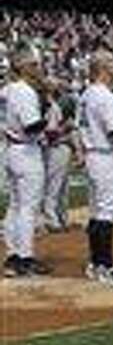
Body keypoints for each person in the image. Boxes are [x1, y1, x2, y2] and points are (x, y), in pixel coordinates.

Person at [76, 49, 113, 281]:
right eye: (112, 63)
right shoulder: (106, 96)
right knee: (107, 210)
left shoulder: (86, 94)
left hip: (92, 153)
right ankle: (105, 265)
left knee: (97, 210)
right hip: (105, 155)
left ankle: (96, 263)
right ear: (103, 68)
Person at [3, 46, 47, 277]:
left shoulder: (7, 89)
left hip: (11, 150)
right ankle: (24, 258)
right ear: (25, 67)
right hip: (27, 151)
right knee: (28, 207)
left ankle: (12, 255)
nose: (39, 68)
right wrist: (48, 119)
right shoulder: (24, 91)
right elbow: (32, 126)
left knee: (15, 206)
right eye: (36, 64)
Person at [40, 80, 73, 233]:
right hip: (53, 148)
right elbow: (49, 133)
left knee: (63, 186)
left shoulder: (54, 106)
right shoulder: (47, 106)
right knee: (53, 185)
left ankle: (62, 217)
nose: (60, 88)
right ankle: (51, 220)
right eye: (55, 86)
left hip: (61, 147)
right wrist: (65, 129)